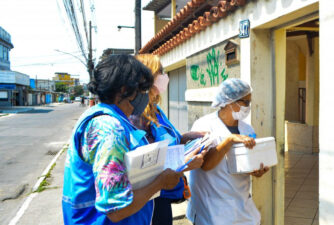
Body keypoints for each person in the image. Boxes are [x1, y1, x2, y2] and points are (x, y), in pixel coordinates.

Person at [62, 54, 182, 225]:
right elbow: (116, 210)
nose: (145, 96)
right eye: (142, 90)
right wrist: (160, 183)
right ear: (125, 90)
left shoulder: (108, 118)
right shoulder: (110, 130)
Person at [131, 54, 206, 225]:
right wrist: (184, 164)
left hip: (163, 197)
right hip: (146, 202)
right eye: (161, 71)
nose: (165, 76)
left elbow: (165, 140)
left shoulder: (155, 110)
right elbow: (142, 164)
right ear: (146, 77)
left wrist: (185, 138)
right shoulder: (133, 115)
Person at [186, 78, 270, 225]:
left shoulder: (247, 129)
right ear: (231, 102)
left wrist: (255, 170)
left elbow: (244, 163)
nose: (248, 107)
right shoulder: (204, 125)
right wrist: (229, 141)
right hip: (212, 206)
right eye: (246, 102)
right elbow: (205, 165)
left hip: (241, 203)